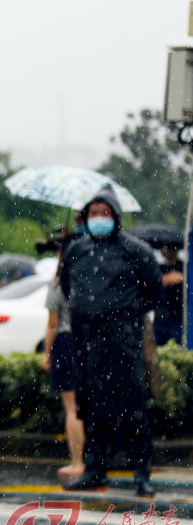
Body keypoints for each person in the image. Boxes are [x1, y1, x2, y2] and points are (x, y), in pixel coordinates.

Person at [60, 187, 163, 497]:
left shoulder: (137, 250)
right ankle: (95, 471)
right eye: (93, 213)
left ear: (116, 216)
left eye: (105, 213)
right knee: (92, 411)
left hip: (123, 344)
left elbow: (154, 292)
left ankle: (141, 475)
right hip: (87, 344)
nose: (99, 218)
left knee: (132, 412)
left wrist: (122, 315)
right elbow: (68, 288)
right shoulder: (76, 250)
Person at [41, 234, 84, 478]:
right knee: (88, 405)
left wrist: (47, 353)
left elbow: (52, 325)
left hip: (67, 344)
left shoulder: (58, 283)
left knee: (72, 408)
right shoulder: (88, 278)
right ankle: (95, 459)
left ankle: (77, 462)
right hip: (89, 344)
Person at [154, 242, 184, 346]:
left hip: (177, 315)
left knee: (177, 345)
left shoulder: (183, 266)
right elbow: (152, 283)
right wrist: (168, 279)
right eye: (164, 247)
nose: (166, 250)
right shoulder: (158, 267)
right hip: (160, 314)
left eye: (169, 248)